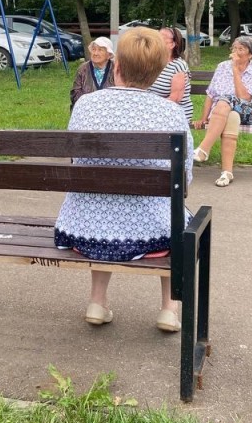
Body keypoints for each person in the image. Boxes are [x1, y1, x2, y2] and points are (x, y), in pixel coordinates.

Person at [54, 27, 193, 333]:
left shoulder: (85, 104)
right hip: (150, 233)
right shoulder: (170, 112)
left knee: (102, 204)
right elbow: (185, 180)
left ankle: (97, 302)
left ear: (116, 66)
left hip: (85, 229)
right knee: (174, 216)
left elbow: (76, 161)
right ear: (157, 73)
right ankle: (169, 309)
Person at [192, 35, 252, 187]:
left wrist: (235, 70)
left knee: (225, 100)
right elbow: (211, 94)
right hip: (224, 113)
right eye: (234, 48)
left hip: (250, 113)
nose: (236, 52)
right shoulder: (222, 67)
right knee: (230, 114)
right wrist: (203, 117)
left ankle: (204, 149)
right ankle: (227, 173)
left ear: (250, 54)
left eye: (241, 49)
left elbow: (244, 98)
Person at [148, 26, 193, 122]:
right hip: (153, 110)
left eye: (161, 38)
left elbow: (176, 98)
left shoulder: (178, 66)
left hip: (175, 111)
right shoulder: (152, 63)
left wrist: (152, 108)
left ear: (172, 44)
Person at [69, 36, 116, 109]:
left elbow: (121, 91)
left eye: (100, 50)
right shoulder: (83, 69)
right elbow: (75, 93)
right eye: (93, 49)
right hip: (86, 110)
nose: (95, 53)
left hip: (110, 110)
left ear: (109, 55)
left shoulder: (116, 69)